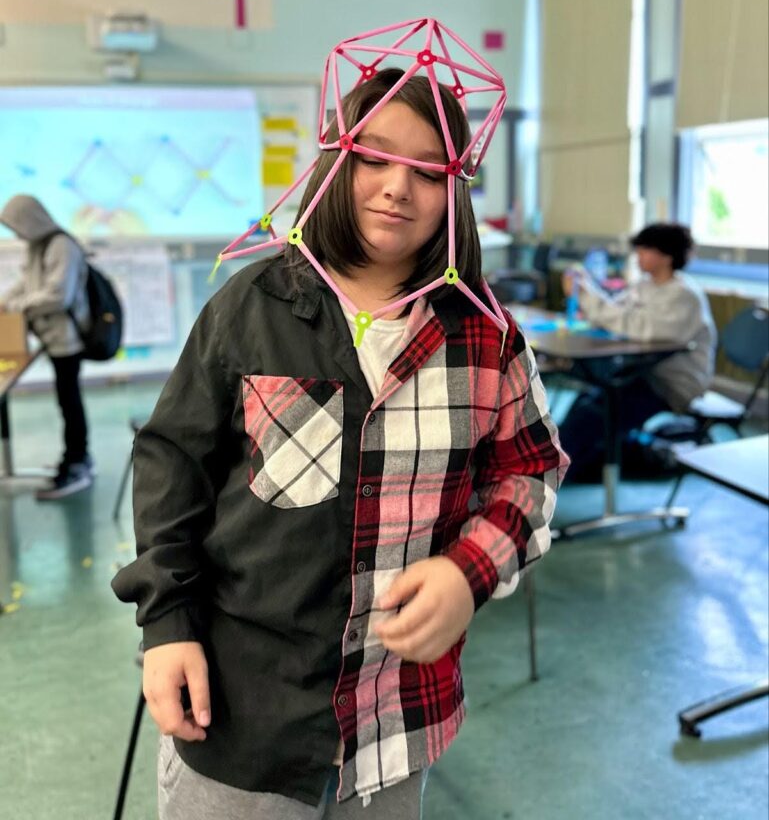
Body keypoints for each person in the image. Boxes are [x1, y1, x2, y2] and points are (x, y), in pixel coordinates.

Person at [112, 68, 568, 819]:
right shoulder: (249, 307)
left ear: (455, 189)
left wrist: (467, 574)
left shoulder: (486, 337)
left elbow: (530, 469)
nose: (398, 187)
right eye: (374, 157)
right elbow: (172, 463)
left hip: (398, 721)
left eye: (428, 170)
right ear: (335, 161)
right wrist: (164, 625)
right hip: (239, 708)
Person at [558, 222, 716, 483]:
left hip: (668, 384)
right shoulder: (645, 285)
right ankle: (567, 465)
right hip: (641, 374)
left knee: (593, 415)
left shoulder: (684, 296)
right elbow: (612, 313)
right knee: (586, 402)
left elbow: (636, 327)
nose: (639, 254)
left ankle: (554, 474)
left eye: (646, 249)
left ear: (666, 255)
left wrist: (589, 295)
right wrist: (585, 290)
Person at [0, 194, 94, 499]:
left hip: (67, 339)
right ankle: (76, 457)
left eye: (17, 225)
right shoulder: (36, 246)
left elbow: (58, 295)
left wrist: (17, 307)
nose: (16, 233)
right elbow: (25, 284)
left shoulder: (61, 245)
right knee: (66, 400)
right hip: (51, 338)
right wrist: (4, 303)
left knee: (70, 402)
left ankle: (78, 462)